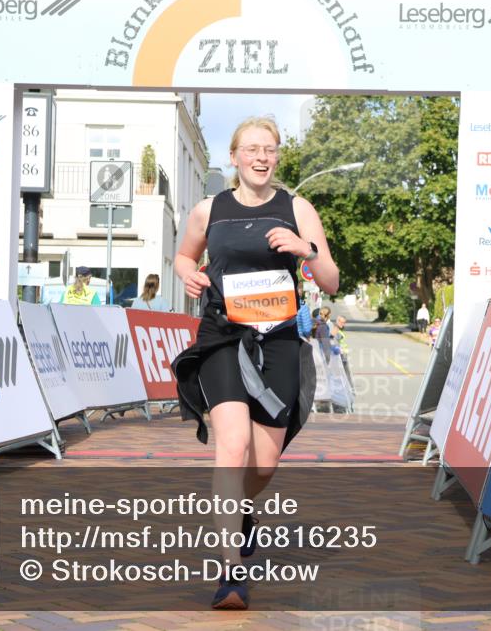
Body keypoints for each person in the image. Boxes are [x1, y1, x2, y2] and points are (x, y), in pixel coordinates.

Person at [170, 116, 338, 610]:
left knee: (263, 464)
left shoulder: (297, 208)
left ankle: (242, 512)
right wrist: (187, 274)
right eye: (252, 149)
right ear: (235, 157)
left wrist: (306, 251)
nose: (262, 157)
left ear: (277, 156)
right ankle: (231, 573)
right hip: (223, 335)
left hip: (278, 340)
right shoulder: (209, 210)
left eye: (270, 149)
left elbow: (330, 279)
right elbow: (184, 257)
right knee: (233, 445)